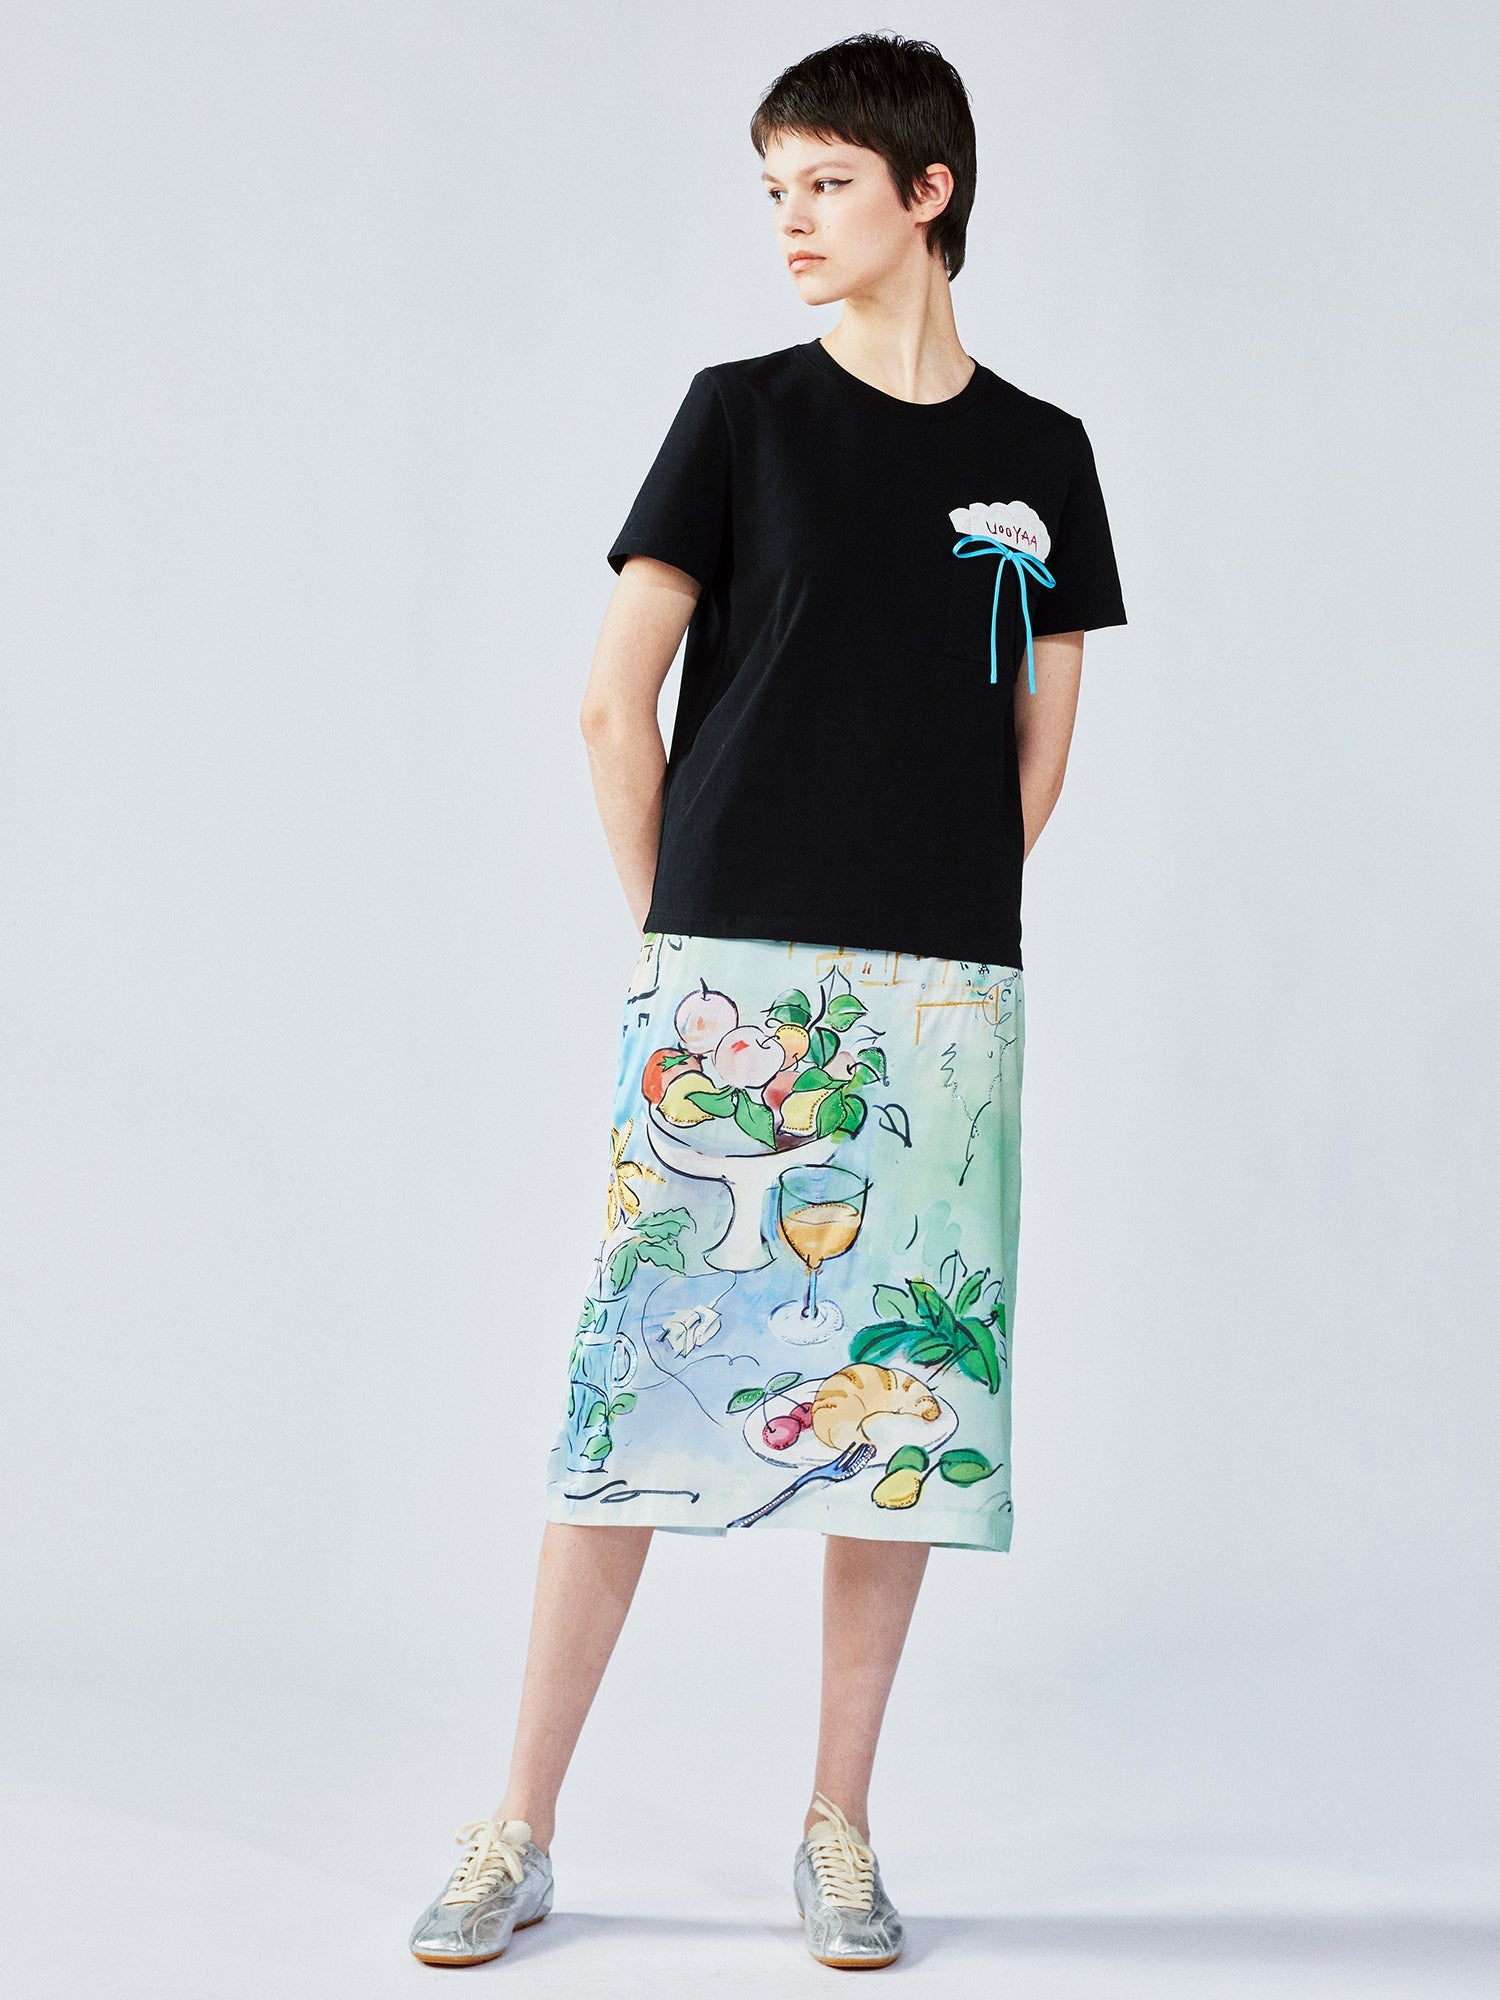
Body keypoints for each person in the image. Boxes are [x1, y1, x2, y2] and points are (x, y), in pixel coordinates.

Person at [407, 29, 1126, 1973]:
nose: (791, 222)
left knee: (899, 1401)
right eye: (773, 190)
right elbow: (607, 700)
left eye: (826, 184)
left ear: (929, 191)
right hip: (729, 986)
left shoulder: (1044, 456)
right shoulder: (737, 418)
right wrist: (690, 943)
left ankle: (838, 1824)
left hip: (944, 996)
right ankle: (517, 1821)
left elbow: (1040, 743)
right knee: (631, 1387)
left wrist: (929, 929)